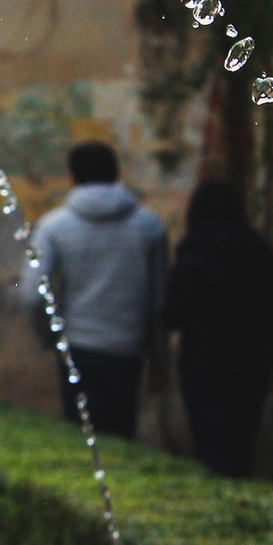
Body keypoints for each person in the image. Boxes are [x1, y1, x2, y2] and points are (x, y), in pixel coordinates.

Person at [22, 141, 168, 438]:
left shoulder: (54, 227)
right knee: (122, 440)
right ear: (116, 174)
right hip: (128, 348)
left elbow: (32, 294)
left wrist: (49, 337)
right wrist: (159, 361)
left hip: (79, 346)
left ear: (72, 177)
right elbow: (159, 303)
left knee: (85, 445)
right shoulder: (150, 226)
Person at [164, 179, 273, 477]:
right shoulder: (260, 253)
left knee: (209, 447)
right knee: (241, 447)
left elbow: (172, 315)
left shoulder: (193, 254)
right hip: (251, 365)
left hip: (203, 365)